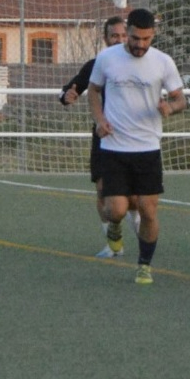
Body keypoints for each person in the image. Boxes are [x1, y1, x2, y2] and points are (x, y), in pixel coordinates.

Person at [88, 8, 187, 285]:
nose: (140, 45)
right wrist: (100, 119)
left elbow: (181, 99)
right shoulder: (107, 58)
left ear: (152, 35)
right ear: (126, 32)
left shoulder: (163, 62)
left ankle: (144, 265)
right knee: (116, 210)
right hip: (115, 147)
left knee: (148, 210)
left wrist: (170, 107)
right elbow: (93, 91)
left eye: (146, 39)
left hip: (147, 148)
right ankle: (115, 228)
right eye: (134, 38)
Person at [59, 15, 138, 258]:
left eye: (124, 35)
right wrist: (67, 97)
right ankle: (114, 245)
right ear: (105, 39)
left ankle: (142, 236)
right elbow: (71, 89)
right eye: (115, 35)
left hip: (135, 138)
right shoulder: (96, 65)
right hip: (104, 137)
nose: (120, 40)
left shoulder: (141, 64)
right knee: (103, 191)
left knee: (133, 199)